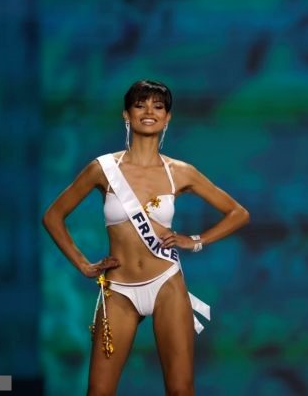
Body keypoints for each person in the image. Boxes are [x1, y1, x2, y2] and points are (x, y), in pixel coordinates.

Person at [42, 80, 250, 396]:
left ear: (167, 118)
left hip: (166, 283)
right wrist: (84, 265)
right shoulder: (103, 168)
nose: (149, 112)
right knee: (98, 391)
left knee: (180, 390)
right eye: (140, 105)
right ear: (127, 115)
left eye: (158, 106)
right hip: (119, 289)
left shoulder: (180, 172)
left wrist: (194, 240)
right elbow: (53, 216)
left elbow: (238, 213)